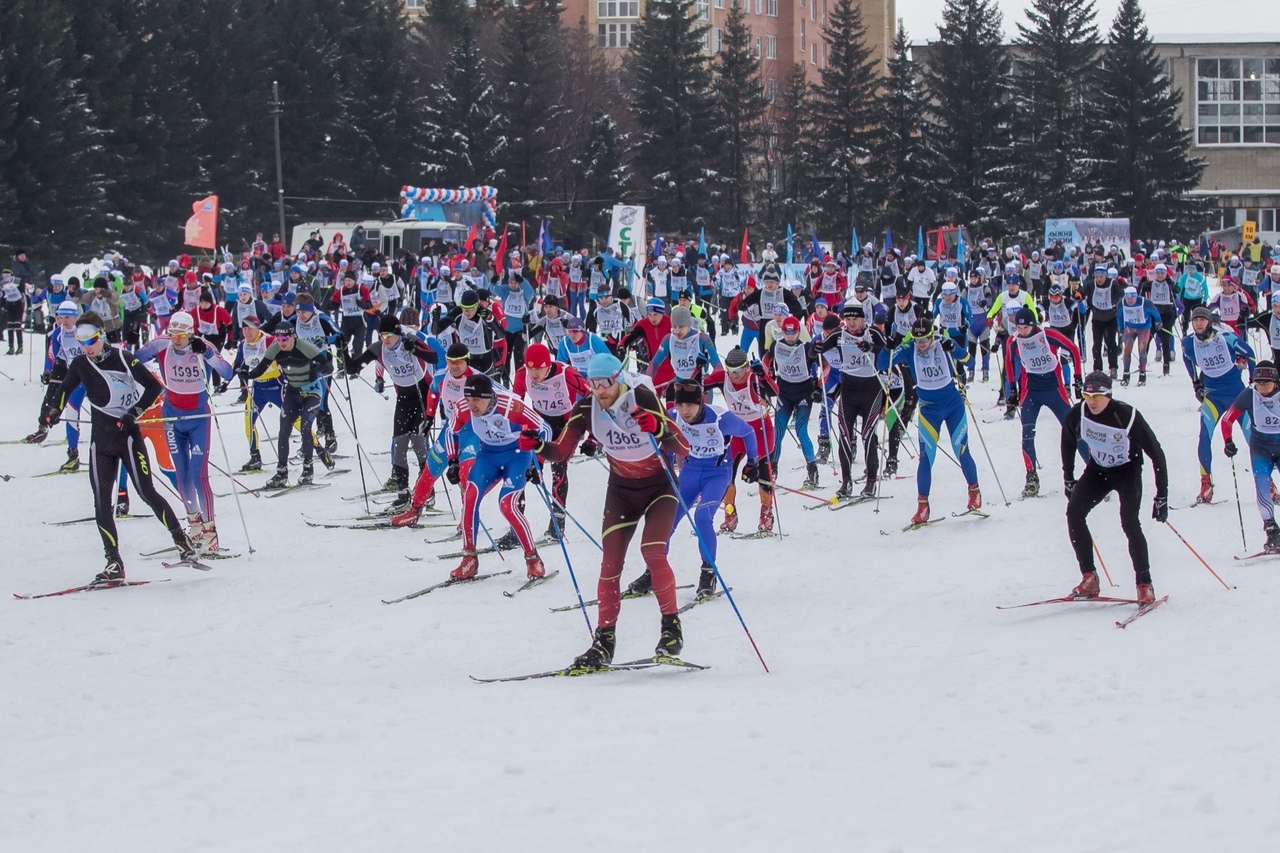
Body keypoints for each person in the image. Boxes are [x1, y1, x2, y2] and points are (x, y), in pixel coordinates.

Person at [519, 352, 691, 669]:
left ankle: (671, 628)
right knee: (610, 564)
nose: (599, 390)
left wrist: (658, 427)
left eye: (605, 383)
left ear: (619, 378)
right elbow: (561, 451)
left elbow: (683, 447)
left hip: (660, 488)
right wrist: (538, 446)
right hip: (622, 492)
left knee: (652, 552)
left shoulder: (640, 397)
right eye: (593, 383)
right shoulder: (586, 407)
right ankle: (604, 642)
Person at [40, 311, 195, 581]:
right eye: (81, 341)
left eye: (91, 340)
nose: (86, 347)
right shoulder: (80, 363)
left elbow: (152, 388)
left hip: (128, 437)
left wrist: (133, 412)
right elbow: (65, 388)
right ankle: (114, 562)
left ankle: (182, 540)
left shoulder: (123, 357)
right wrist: (54, 410)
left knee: (147, 493)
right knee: (102, 503)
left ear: (102, 336)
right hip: (101, 441)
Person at [1061, 371, 1168, 605]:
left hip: (1127, 472)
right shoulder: (1079, 413)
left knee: (1130, 522)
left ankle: (1144, 584)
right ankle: (1089, 578)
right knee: (1074, 513)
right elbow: (1067, 441)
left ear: (1109, 395)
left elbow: (1157, 454)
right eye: (1087, 395)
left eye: (1097, 396)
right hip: (1098, 470)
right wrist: (1068, 477)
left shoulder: (1126, 416)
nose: (1092, 401)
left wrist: (1162, 495)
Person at [135, 311, 235, 554]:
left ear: (190, 333)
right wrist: (129, 345)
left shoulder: (202, 345)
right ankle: (194, 523)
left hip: (198, 417)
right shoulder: (161, 343)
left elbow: (227, 373)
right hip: (171, 416)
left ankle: (210, 532)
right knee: (182, 473)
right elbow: (135, 359)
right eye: (172, 334)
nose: (175, 339)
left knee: (200, 475)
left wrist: (208, 353)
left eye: (180, 335)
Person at [446, 373, 551, 580]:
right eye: (468, 399)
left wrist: (537, 463)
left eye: (476, 400)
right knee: (470, 497)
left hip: (517, 455)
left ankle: (532, 558)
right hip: (489, 456)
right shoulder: (463, 408)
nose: (471, 405)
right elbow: (451, 432)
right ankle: (469, 559)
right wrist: (452, 460)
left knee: (507, 505)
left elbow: (544, 429)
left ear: (489, 397)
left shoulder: (511, 406)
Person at [666, 381, 761, 597]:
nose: (685, 411)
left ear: (700, 402)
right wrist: (668, 462)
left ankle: (708, 572)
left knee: (702, 517)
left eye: (689, 406)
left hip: (717, 474)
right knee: (666, 518)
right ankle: (654, 570)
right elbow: (666, 437)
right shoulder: (673, 415)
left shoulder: (721, 419)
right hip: (690, 472)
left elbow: (748, 432)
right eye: (681, 406)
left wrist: (753, 462)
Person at [887, 316, 981, 525]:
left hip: (953, 405)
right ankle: (922, 506)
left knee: (961, 450)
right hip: (929, 410)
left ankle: (974, 491)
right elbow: (882, 363)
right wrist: (889, 347)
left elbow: (971, 361)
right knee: (926, 458)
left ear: (931, 336)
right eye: (917, 340)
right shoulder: (909, 348)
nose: (921, 345)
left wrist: (955, 349)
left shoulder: (942, 343)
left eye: (925, 340)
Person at [346, 315, 438, 493]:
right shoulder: (378, 348)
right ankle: (402, 491)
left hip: (422, 395)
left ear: (397, 333)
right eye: (382, 335)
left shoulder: (409, 339)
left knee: (419, 442)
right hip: (403, 399)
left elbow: (433, 357)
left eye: (389, 335)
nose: (385, 339)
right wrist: (343, 350)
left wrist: (415, 350)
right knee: (399, 444)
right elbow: (353, 368)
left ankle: (427, 490)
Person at [511, 342, 592, 538]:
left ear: (548, 364)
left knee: (558, 467)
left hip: (567, 425)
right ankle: (517, 528)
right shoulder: (522, 374)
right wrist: (519, 432)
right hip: (541, 423)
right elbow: (515, 406)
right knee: (523, 469)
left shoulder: (566, 374)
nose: (534, 373)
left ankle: (557, 524)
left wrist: (593, 437)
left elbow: (592, 398)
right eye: (531, 368)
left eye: (539, 368)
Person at [1004, 306, 1083, 497]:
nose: (1021, 332)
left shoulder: (1047, 335)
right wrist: (1013, 389)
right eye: (1018, 328)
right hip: (1031, 391)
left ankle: (1096, 473)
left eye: (1025, 328)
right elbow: (1008, 361)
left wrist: (1078, 379)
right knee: (1027, 433)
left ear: (1033, 325)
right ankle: (1032, 478)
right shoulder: (1013, 340)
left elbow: (1073, 349)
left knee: (1075, 430)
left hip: (1053, 388)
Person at [245, 321, 335, 488]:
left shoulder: (304, 347)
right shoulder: (275, 348)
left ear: (293, 336)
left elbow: (328, 365)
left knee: (306, 427)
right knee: (284, 429)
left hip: (312, 392)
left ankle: (308, 469)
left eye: (285, 338)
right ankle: (281, 472)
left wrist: (318, 367)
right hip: (293, 393)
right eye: (278, 339)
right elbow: (261, 368)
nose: (282, 342)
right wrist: (247, 374)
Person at [1182, 305, 1254, 504]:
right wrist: (1196, 383)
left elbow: (1250, 353)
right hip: (1213, 397)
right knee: (1204, 436)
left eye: (1202, 320)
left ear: (1209, 322)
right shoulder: (1188, 342)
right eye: (1195, 320)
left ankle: (1269, 486)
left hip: (1236, 395)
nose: (1198, 323)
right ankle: (1205, 484)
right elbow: (1187, 359)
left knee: (1253, 439)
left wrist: (1254, 381)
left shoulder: (1225, 337)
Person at [816, 304, 888, 498]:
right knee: (845, 435)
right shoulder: (839, 334)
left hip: (871, 391)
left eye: (855, 320)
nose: (851, 323)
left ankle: (871, 481)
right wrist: (815, 349)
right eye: (848, 320)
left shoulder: (872, 332)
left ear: (863, 319)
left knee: (867, 435)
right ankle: (846, 482)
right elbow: (820, 347)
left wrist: (872, 347)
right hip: (848, 390)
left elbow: (888, 348)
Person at [713, 346, 776, 535]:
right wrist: (697, 369)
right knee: (726, 474)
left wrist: (763, 376)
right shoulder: (723, 378)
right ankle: (730, 514)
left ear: (747, 367)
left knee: (763, 474)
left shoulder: (754, 377)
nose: (734, 375)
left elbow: (775, 390)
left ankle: (766, 515)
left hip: (760, 431)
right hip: (737, 432)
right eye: (730, 371)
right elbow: (696, 384)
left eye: (738, 370)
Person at [1221, 360, 1280, 553]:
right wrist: (1228, 441)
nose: (1262, 388)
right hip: (1260, 447)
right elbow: (1227, 419)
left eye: (1266, 384)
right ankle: (1271, 530)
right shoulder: (1248, 395)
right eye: (1258, 383)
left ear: (1275, 382)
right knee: (1262, 484)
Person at [764, 315, 821, 490]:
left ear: (798, 331)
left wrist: (818, 386)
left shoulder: (806, 347)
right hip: (784, 393)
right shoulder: (776, 345)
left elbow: (823, 365)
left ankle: (812, 470)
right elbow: (766, 363)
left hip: (804, 392)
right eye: (787, 332)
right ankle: (772, 470)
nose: (790, 336)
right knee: (778, 432)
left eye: (793, 332)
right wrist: (764, 376)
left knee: (801, 430)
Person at [232, 316, 283, 472]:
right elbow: (236, 365)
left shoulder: (270, 341)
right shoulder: (243, 345)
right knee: (249, 421)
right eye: (244, 328)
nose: (247, 332)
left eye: (250, 328)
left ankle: (318, 449)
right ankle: (255, 457)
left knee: (297, 420)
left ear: (258, 328)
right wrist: (225, 381)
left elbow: (286, 360)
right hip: (258, 390)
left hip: (277, 387)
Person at [1116, 284, 1162, 386]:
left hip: (1144, 328)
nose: (1130, 300)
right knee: (1127, 350)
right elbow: (1119, 316)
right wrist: (1120, 329)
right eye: (1128, 298)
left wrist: (1158, 322)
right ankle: (1126, 374)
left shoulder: (1145, 303)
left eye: (1132, 298)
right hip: (1130, 327)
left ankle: (1142, 375)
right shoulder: (1122, 303)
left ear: (1136, 296)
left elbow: (1155, 312)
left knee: (1142, 351)